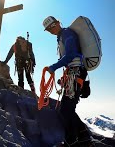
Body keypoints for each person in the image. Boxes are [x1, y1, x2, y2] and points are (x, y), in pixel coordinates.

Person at [42, 16, 94, 147]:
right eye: (48, 30)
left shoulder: (66, 34)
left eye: (51, 27)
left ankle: (71, 142)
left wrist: (53, 67)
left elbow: (71, 54)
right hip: (74, 73)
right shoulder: (62, 36)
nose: (50, 30)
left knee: (66, 110)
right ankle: (84, 138)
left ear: (57, 23)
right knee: (67, 108)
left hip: (75, 73)